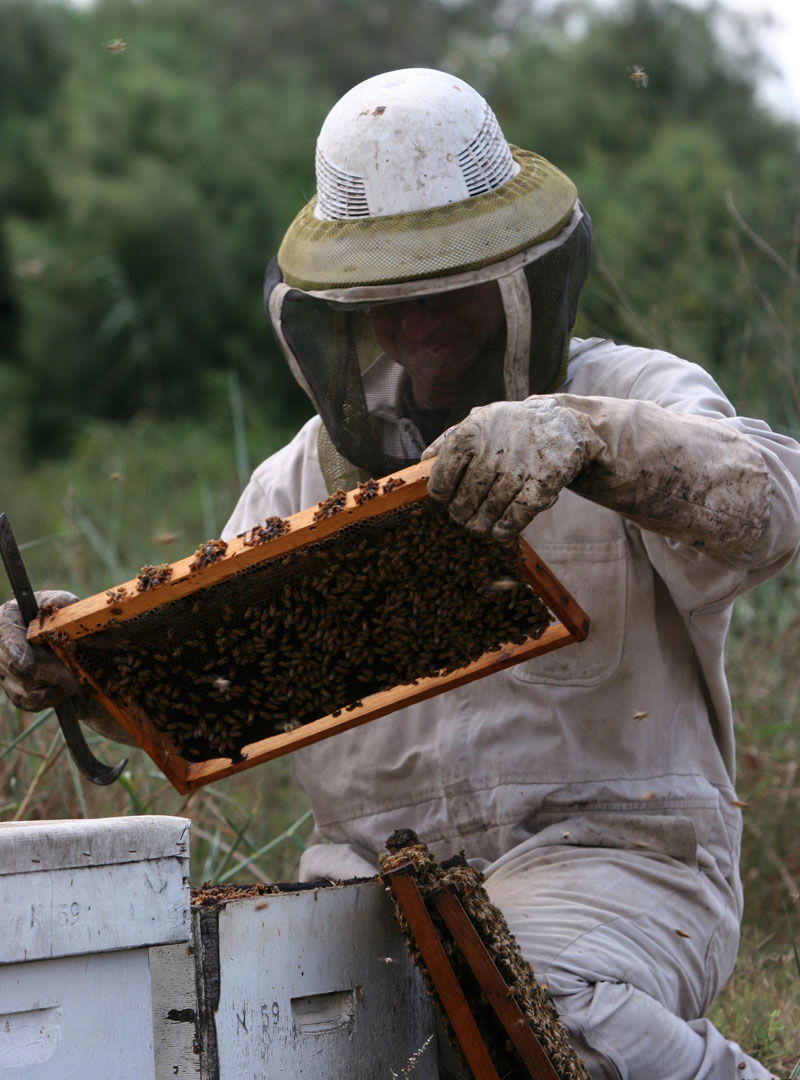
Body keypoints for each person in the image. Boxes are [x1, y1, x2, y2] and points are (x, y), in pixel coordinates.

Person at [2, 68, 798, 1080]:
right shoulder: (293, 477)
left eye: (446, 289)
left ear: (520, 273)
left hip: (619, 861)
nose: (417, 326)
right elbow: (219, 692)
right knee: (225, 1033)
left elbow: (770, 503)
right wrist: (81, 664)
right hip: (369, 883)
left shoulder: (626, 392)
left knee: (519, 989)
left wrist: (580, 439)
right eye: (390, 300)